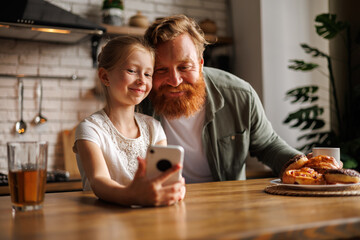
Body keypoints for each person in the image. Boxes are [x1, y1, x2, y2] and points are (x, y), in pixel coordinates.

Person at [141, 15, 302, 183]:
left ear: (201, 63)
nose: (174, 80)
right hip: (162, 200)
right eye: (161, 70)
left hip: (226, 201)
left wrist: (304, 165)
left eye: (184, 67)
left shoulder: (240, 95)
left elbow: (267, 145)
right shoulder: (136, 100)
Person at [73, 36, 185, 206]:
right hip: (101, 220)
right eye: (132, 71)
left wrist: (172, 187)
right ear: (105, 77)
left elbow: (160, 179)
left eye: (148, 74)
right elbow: (98, 180)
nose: (142, 80)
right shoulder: (90, 129)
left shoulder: (153, 127)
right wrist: (132, 196)